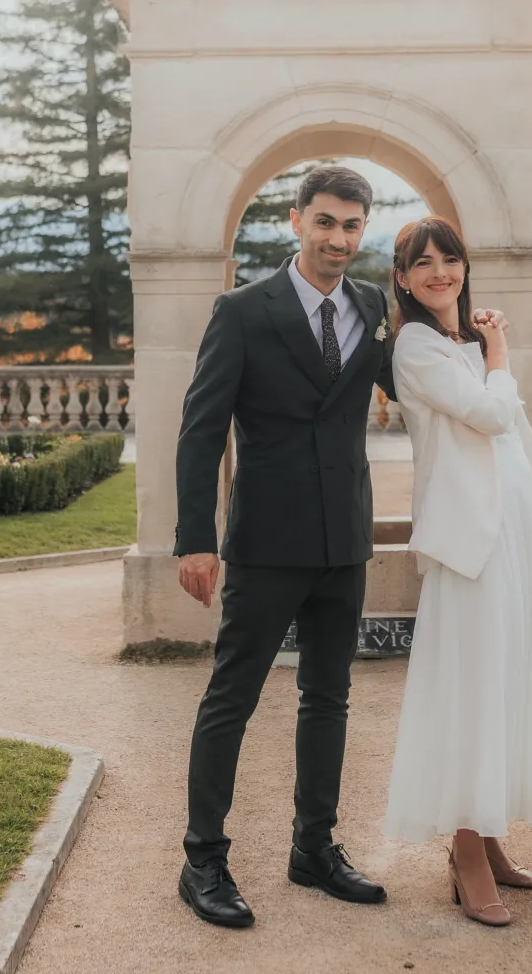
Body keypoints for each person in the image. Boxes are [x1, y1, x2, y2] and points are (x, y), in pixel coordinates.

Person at [173, 164, 396, 928]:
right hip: (266, 541)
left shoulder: (373, 307)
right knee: (230, 699)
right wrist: (194, 541)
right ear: (296, 220)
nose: (339, 238)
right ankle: (203, 860)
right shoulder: (241, 311)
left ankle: (314, 848)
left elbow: (419, 382)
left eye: (353, 225)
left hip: (346, 541)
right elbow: (201, 432)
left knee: (328, 698)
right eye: (326, 221)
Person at [382, 215, 532, 926]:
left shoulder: (470, 344)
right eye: (424, 263)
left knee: (507, 685)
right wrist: (502, 348)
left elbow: (523, 443)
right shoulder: (415, 347)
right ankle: (464, 853)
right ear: (403, 278)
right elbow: (486, 414)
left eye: (450, 259)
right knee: (474, 690)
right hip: (470, 543)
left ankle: (491, 837)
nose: (440, 272)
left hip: (522, 536)